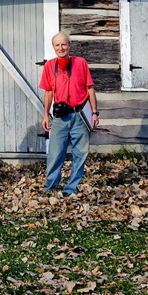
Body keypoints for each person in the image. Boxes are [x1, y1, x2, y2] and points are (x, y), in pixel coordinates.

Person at [39, 32, 98, 196]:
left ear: (69, 45)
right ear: (53, 47)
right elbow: (48, 92)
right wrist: (45, 114)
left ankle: (71, 188)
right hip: (60, 117)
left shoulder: (81, 63)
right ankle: (51, 186)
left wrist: (94, 113)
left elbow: (90, 88)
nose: (61, 48)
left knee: (80, 153)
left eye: (64, 44)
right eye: (57, 45)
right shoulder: (50, 66)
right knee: (55, 153)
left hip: (80, 115)